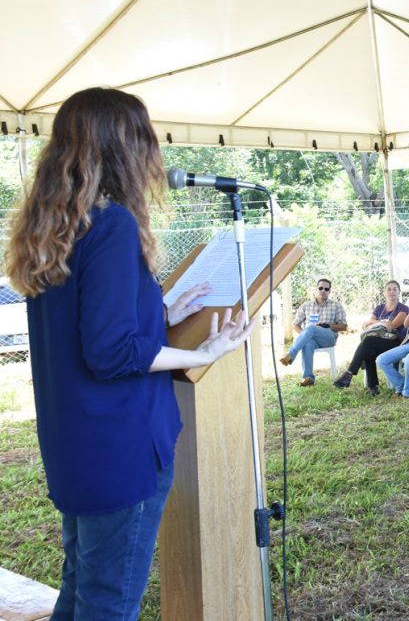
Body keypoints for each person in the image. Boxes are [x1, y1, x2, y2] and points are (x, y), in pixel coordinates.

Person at [6, 87, 255, 619]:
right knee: (107, 605)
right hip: (121, 450)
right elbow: (111, 352)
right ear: (125, 148)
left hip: (77, 449)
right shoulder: (113, 225)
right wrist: (198, 353)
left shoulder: (58, 228)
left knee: (79, 594)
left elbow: (85, 326)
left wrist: (161, 308)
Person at [334, 280, 409, 394]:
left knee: (368, 342)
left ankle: (350, 374)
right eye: (389, 289)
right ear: (385, 292)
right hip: (377, 341)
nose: (392, 292)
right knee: (368, 349)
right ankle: (372, 387)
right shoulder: (380, 308)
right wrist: (383, 323)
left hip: (395, 342)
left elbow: (393, 325)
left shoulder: (403, 308)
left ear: (399, 292)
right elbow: (366, 325)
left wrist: (376, 322)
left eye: (395, 289)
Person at [281, 278, 348, 386]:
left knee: (311, 328)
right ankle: (308, 378)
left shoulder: (336, 305)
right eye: (320, 288)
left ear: (329, 291)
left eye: (326, 289)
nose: (323, 291)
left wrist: (328, 325)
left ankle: (290, 355)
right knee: (308, 341)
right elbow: (295, 324)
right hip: (311, 337)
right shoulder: (306, 305)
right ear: (316, 289)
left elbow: (344, 326)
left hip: (328, 336)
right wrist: (305, 335)